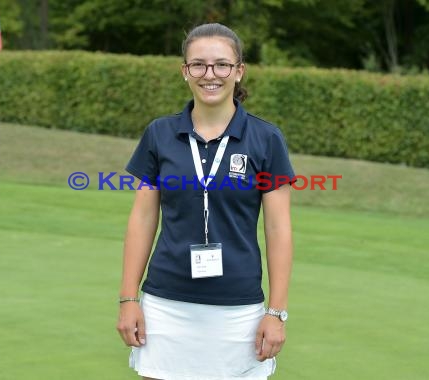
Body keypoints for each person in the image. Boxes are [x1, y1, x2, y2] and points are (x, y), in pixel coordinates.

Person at [116, 23, 295, 380]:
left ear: (238, 70)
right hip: (166, 305)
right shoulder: (159, 134)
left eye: (221, 65)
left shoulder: (266, 139)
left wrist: (276, 313)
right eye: (198, 64)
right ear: (185, 72)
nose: (209, 74)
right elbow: (142, 220)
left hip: (239, 310)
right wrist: (128, 299)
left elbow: (278, 229)